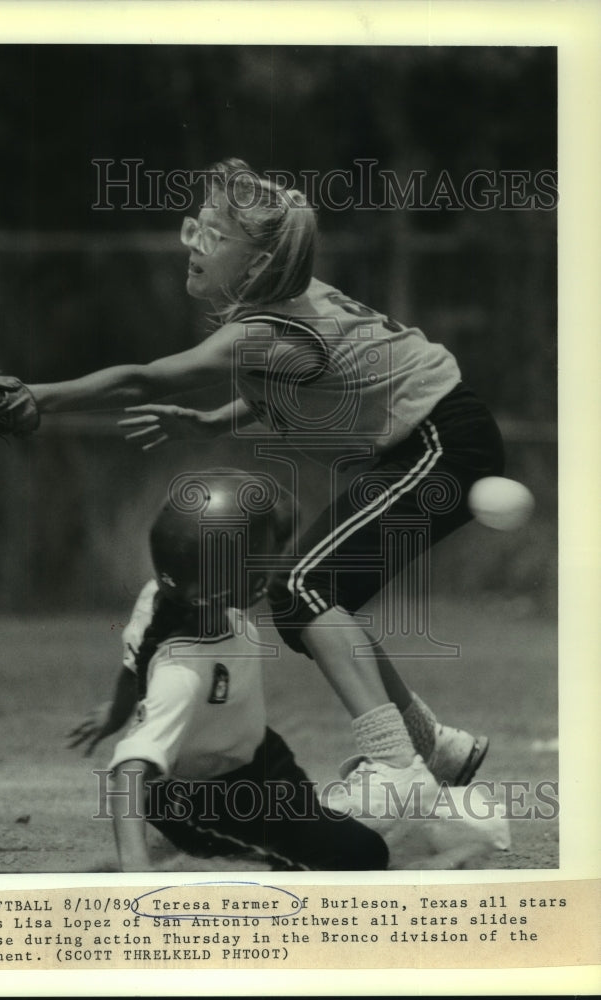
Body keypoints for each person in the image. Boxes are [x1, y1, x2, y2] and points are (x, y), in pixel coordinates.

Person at [31, 158, 505, 819]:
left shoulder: (263, 328)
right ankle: (432, 749)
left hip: (440, 444)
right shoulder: (284, 306)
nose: (194, 240)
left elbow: (145, 378)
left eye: (216, 233)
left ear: (255, 263)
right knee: (308, 600)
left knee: (303, 590)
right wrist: (209, 421)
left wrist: (34, 396)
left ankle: (396, 768)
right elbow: (298, 381)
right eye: (200, 223)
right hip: (432, 441)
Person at [68, 469, 390, 872]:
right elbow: (128, 774)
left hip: (262, 763)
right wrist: (135, 870)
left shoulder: (167, 597)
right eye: (264, 556)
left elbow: (135, 662)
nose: (278, 561)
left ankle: (292, 839)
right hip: (206, 802)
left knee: (333, 834)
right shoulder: (182, 673)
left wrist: (115, 711)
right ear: (237, 578)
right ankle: (221, 860)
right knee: (362, 855)